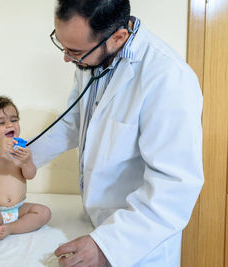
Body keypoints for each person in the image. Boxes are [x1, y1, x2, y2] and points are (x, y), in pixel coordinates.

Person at [29, 0, 204, 266]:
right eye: (61, 43)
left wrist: (106, 245)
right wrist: (23, 157)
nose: (66, 57)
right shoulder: (94, 58)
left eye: (74, 51)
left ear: (118, 37)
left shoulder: (168, 78)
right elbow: (75, 120)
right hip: (93, 225)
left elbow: (175, 186)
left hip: (137, 244)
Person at [0, 96, 51, 260]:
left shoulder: (21, 151)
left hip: (20, 208)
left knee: (44, 213)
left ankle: (12, 228)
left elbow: (30, 175)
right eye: (1, 122)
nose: (10, 124)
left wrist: (27, 161)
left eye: (14, 120)